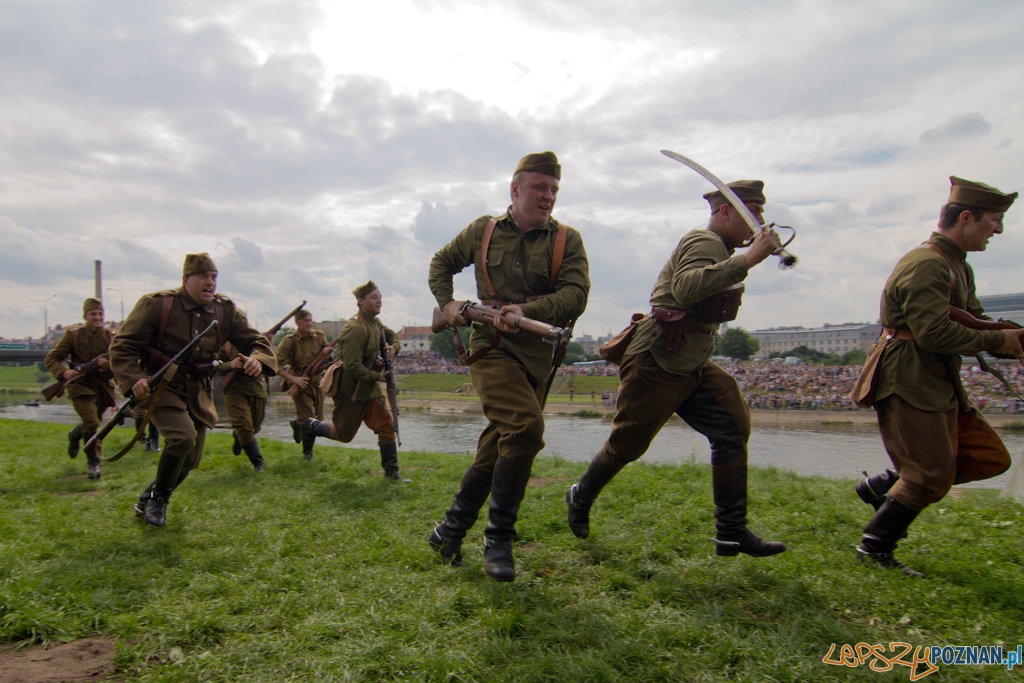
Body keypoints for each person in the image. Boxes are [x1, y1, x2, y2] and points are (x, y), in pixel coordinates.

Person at [565, 180, 786, 558]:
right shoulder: (705, 242)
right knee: (627, 445)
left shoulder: (722, 248)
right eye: (753, 212)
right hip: (658, 359)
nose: (760, 221)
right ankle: (580, 495)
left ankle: (730, 531)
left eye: (761, 212)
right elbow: (685, 289)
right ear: (726, 212)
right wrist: (748, 261)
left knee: (732, 428)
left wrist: (744, 259)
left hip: (692, 360)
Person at [427, 151, 590, 581]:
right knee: (526, 429)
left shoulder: (567, 241)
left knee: (499, 443)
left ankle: (449, 529)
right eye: (540, 187)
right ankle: (499, 539)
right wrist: (448, 304)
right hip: (491, 348)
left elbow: (576, 295)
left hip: (538, 360)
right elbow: (441, 264)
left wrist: (528, 309)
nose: (549, 196)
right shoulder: (482, 231)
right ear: (514, 189)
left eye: (554, 189)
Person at [851, 177, 1023, 577]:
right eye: (994, 220)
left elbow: (978, 322)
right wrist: (1003, 344)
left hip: (935, 375)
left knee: (986, 457)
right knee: (928, 476)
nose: (998, 230)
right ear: (966, 217)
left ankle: (885, 488)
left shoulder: (957, 265)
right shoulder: (927, 263)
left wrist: (1009, 337)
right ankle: (874, 551)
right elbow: (934, 333)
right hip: (909, 375)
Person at [108, 253, 276, 527]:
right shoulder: (157, 305)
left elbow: (255, 340)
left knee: (190, 460)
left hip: (198, 388)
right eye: (203, 277)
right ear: (186, 280)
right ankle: (160, 500)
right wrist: (133, 378)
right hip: (161, 386)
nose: (210, 282)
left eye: (213, 277)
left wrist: (258, 359)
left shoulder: (225, 310)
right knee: (182, 438)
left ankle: (147, 498)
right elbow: (122, 346)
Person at [304, 281, 406, 480]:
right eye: (374, 298)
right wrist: (378, 376)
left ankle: (391, 474)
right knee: (343, 435)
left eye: (380, 297)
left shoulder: (374, 323)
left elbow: (393, 336)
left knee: (386, 426)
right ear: (361, 301)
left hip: (370, 390)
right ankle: (311, 426)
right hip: (350, 392)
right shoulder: (355, 329)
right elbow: (352, 366)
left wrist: (392, 348)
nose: (379, 301)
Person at [44, 298, 116, 479]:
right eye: (93, 314)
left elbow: (122, 364)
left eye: (100, 314)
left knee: (93, 423)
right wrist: (63, 373)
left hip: (102, 387)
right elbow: (52, 359)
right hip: (79, 386)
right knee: (91, 421)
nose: (97, 317)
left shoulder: (112, 338)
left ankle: (75, 435)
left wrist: (108, 366)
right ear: (85, 316)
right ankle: (94, 464)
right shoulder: (73, 336)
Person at [276, 309, 328, 461]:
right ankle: (308, 454)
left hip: (317, 382)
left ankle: (297, 425)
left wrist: (327, 352)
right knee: (309, 419)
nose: (309, 323)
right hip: (300, 382)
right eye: (306, 320)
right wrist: (292, 379)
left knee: (318, 420)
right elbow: (275, 364)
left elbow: (327, 357)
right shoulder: (289, 341)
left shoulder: (319, 336)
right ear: (297, 322)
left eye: (310, 320)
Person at [216, 341, 269, 472]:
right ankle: (258, 462)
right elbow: (213, 365)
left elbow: (272, 361)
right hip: (234, 389)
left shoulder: (258, 341)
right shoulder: (224, 344)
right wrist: (231, 365)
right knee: (244, 427)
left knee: (255, 426)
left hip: (256, 388)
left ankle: (238, 436)